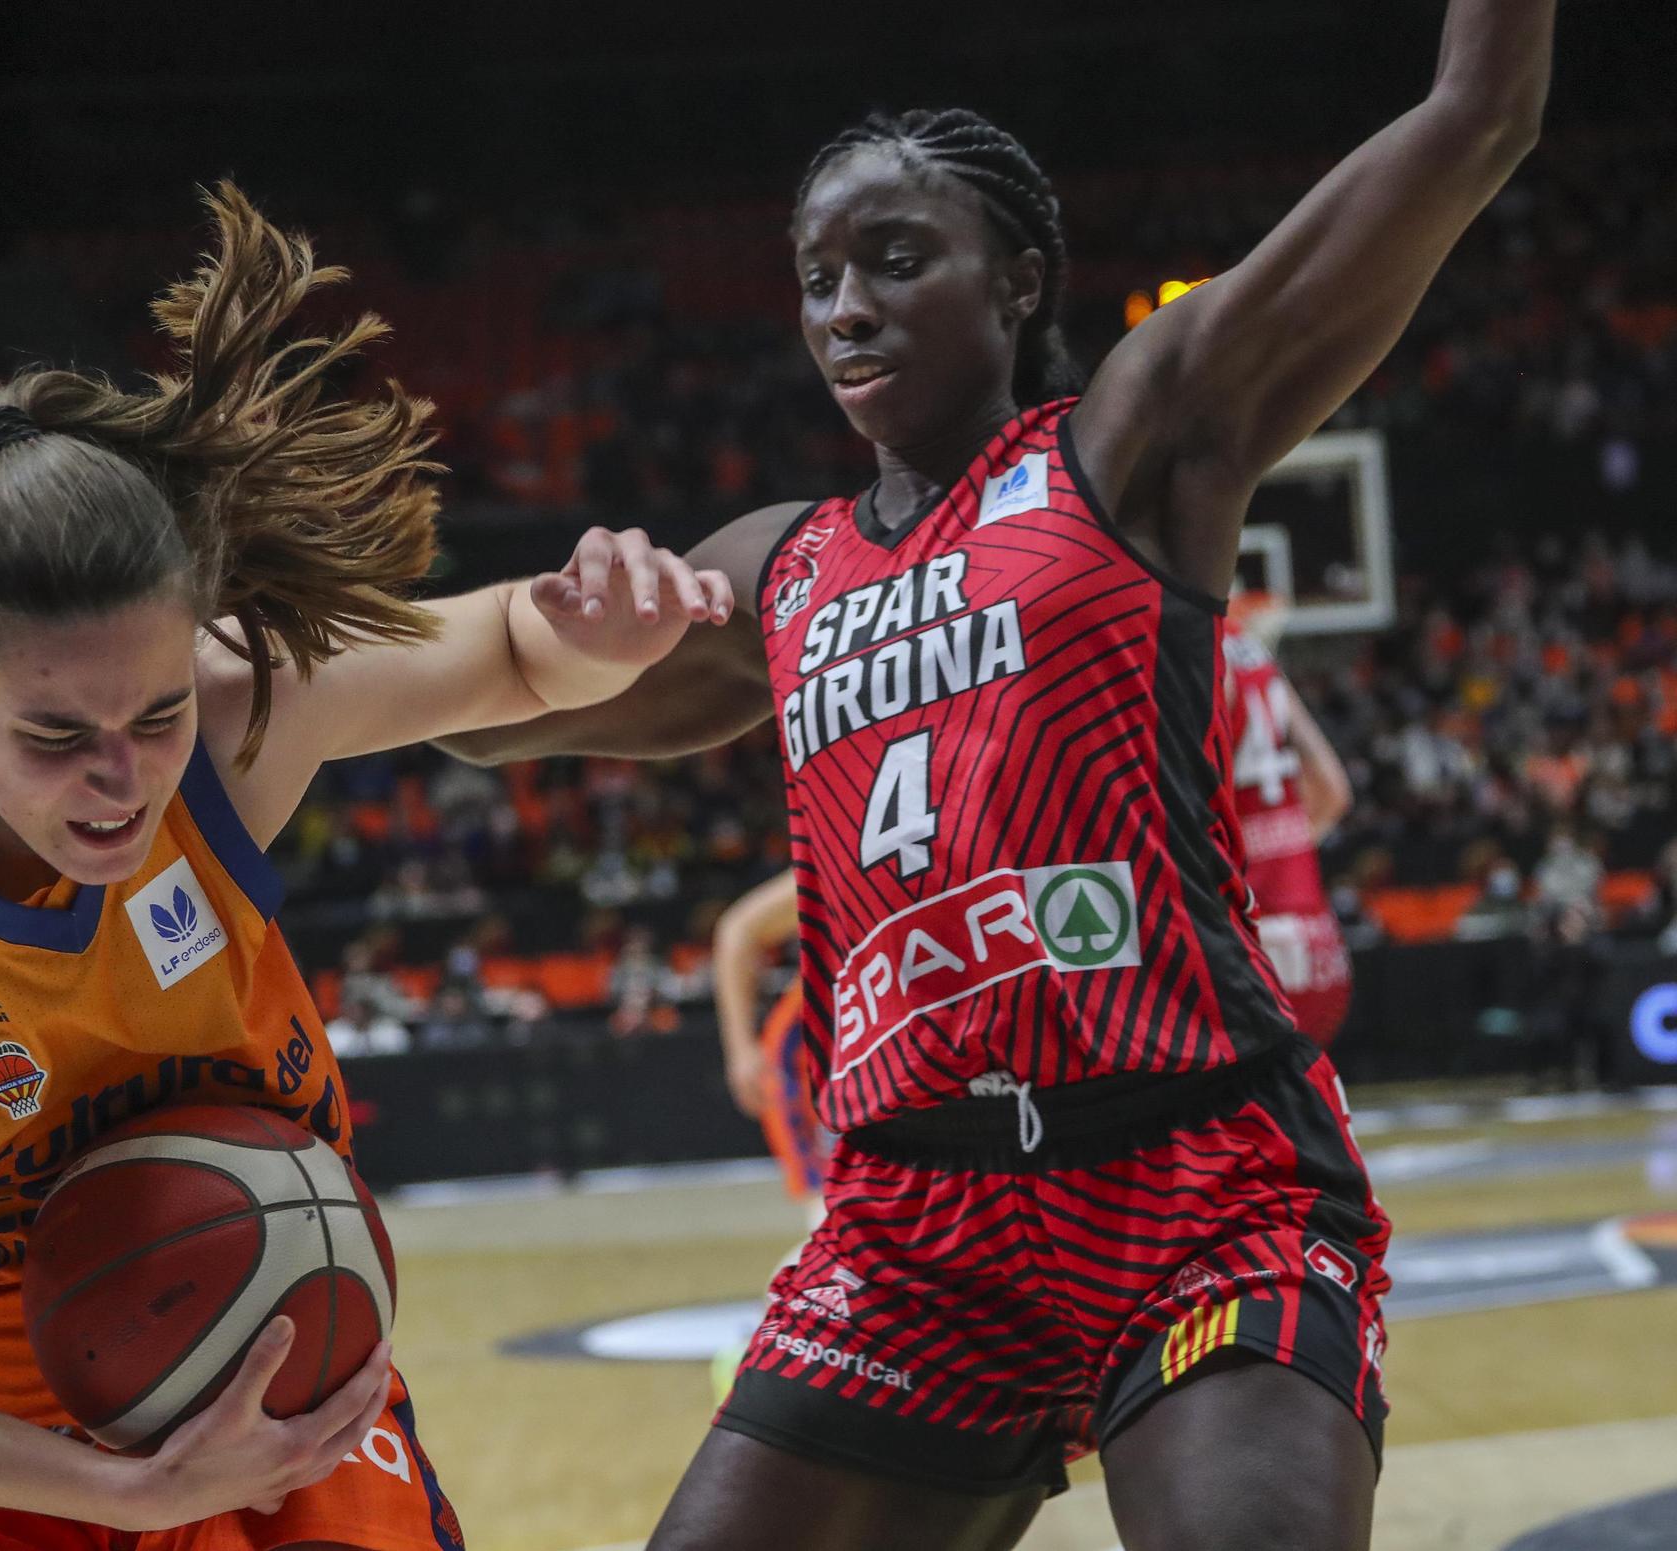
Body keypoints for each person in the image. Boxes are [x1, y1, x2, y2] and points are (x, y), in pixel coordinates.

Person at [437, 6, 1553, 1546]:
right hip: (913, 1227)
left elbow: (1477, 117)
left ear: (1021, 281)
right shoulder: (776, 567)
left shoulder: (1133, 440)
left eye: (898, 259)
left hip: (1196, 1175)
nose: (846, 308)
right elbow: (474, 719)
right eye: (819, 279)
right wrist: (540, 634)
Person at [0, 184, 732, 1551]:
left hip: (272, 1372)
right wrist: (133, 1490)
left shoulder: (241, 704)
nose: (124, 778)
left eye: (155, 713)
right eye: (57, 734)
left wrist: (599, 631)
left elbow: (515, 649)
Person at [1222, 594, 1355, 1045]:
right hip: (1317, 941)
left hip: (1244, 938)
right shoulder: (1254, 650)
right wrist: (1286, 841)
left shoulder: (1183, 646)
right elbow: (1334, 791)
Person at [712, 868, 831, 1214]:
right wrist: (741, 1049)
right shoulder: (848, 851)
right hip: (818, 1051)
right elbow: (738, 930)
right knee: (831, 1216)